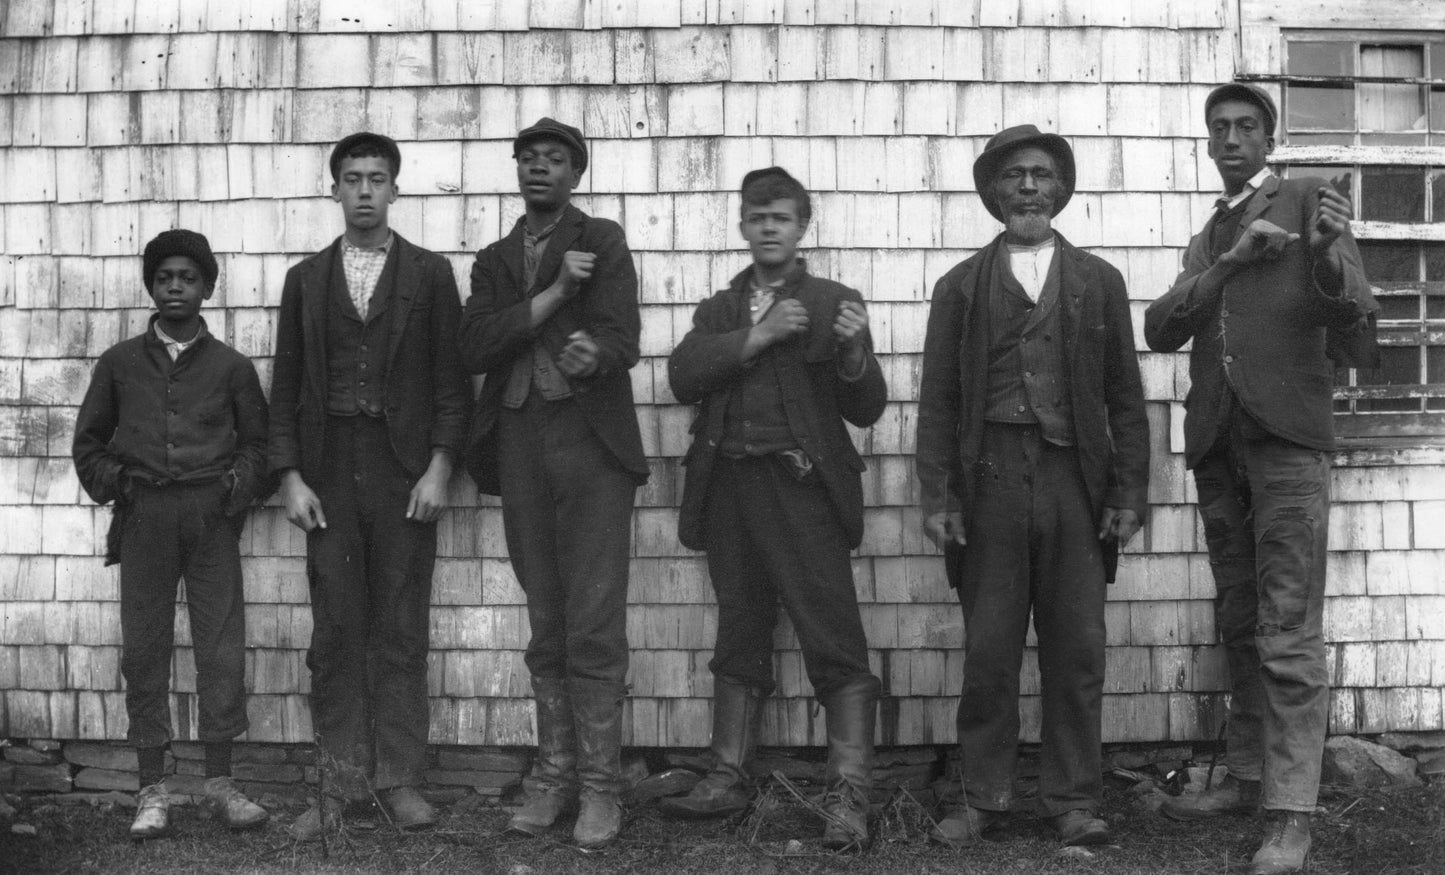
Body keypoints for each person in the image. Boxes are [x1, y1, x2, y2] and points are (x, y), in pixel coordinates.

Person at [1145, 84, 1377, 875]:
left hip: (1285, 443)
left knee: (1286, 628)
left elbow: (1355, 328)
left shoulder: (1312, 200)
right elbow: (1163, 325)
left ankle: (1290, 817)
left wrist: (1320, 254)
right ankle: (1246, 778)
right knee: (1241, 617)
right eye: (1219, 129)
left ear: (1267, 139)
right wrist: (1229, 263)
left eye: (1246, 126)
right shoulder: (1209, 233)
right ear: (1208, 144)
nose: (1231, 137)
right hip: (1217, 443)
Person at [914, 126, 1150, 848]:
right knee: (988, 646)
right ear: (991, 191)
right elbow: (939, 402)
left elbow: (1124, 399)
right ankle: (982, 797)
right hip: (989, 480)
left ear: (1059, 189)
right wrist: (939, 496)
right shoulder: (959, 286)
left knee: (1076, 646)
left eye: (1040, 175)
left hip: (1072, 482)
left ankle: (1073, 798)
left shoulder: (1096, 281)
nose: (1026, 187)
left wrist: (1127, 493)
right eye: (1012, 175)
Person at [660, 166, 887, 850]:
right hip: (729, 491)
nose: (768, 228)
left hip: (801, 493)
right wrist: (755, 337)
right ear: (741, 225)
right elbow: (680, 376)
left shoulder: (832, 300)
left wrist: (852, 348)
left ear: (801, 226)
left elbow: (866, 405)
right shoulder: (720, 309)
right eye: (756, 217)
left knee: (832, 636)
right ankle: (727, 773)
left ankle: (847, 793)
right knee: (739, 630)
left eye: (780, 218)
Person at [268, 132, 470, 839]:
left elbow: (451, 382)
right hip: (327, 471)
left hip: (403, 470)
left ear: (394, 189)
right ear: (334, 190)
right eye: (350, 178)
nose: (363, 190)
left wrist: (441, 466)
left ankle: (400, 779)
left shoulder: (430, 274)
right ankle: (337, 782)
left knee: (399, 624)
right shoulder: (305, 279)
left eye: (375, 178)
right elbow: (285, 387)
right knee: (337, 628)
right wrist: (290, 476)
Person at [459, 118, 649, 850]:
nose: (539, 169)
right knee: (547, 623)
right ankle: (553, 774)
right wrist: (550, 296)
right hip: (518, 443)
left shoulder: (600, 239)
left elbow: (624, 338)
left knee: (592, 623)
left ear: (575, 172)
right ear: (516, 170)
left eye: (555, 160)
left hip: (589, 448)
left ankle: (601, 788)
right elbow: (476, 343)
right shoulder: (495, 258)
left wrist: (590, 353)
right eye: (528, 158)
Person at [73, 229, 272, 839]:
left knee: (220, 646)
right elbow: (87, 446)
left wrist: (232, 489)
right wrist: (121, 485)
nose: (176, 287)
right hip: (145, 521)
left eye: (189, 278)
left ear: (208, 288)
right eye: (165, 278)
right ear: (151, 287)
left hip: (210, 521)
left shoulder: (232, 367)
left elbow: (260, 447)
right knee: (144, 650)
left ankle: (220, 782)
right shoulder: (119, 364)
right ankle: (151, 788)